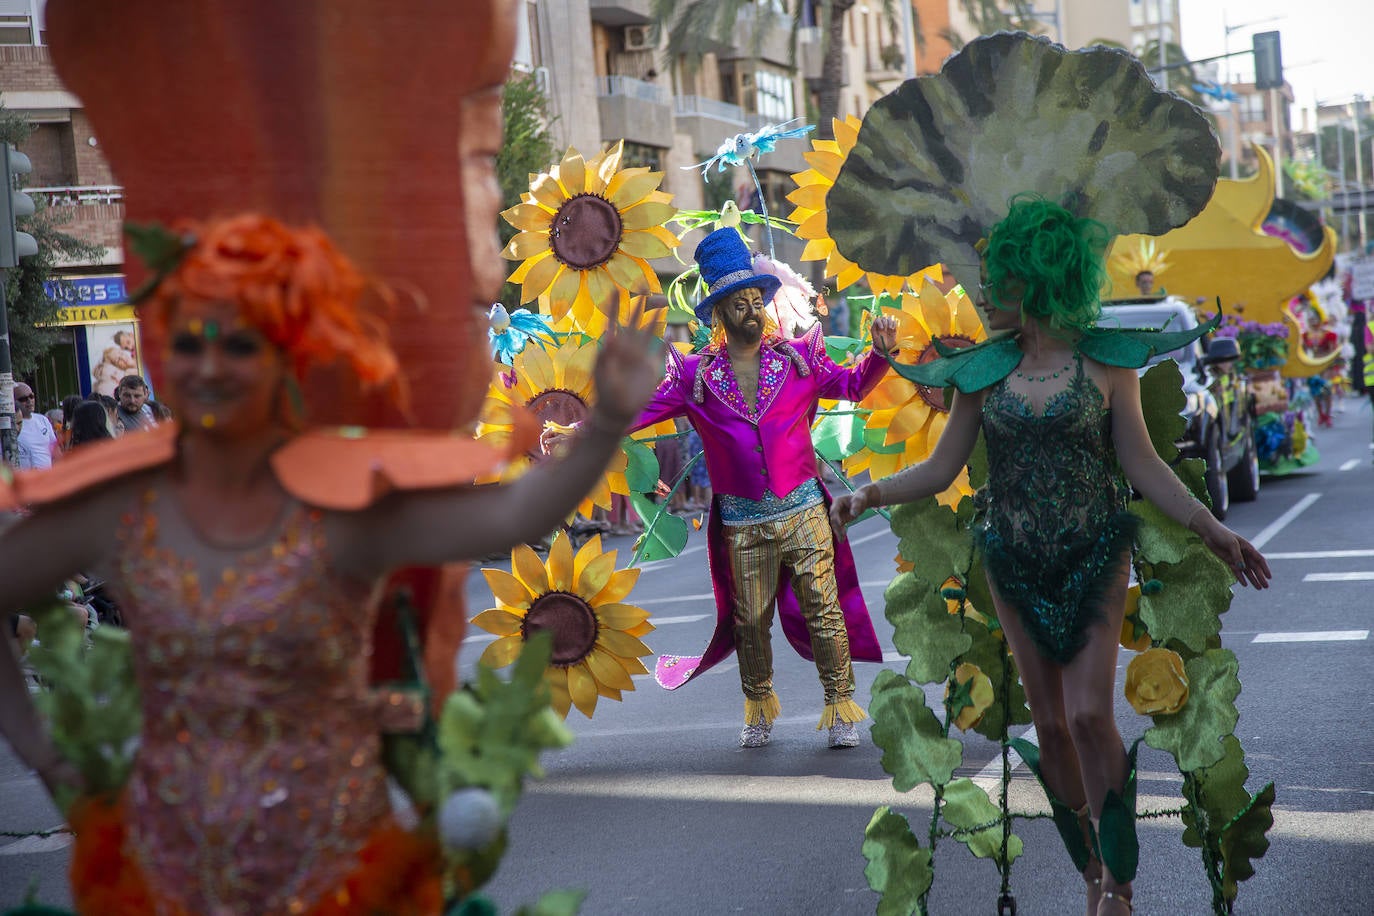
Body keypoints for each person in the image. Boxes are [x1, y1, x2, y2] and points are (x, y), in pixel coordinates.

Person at [0, 214, 661, 914]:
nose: (209, 365)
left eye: (241, 344)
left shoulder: (338, 500)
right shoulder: (122, 506)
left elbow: (512, 516)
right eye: (190, 342)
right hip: (172, 877)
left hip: (338, 876)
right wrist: (45, 755)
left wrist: (609, 425)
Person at [831, 196, 1272, 914]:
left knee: (1091, 714)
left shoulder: (1108, 365)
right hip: (1013, 561)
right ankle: (1092, 865)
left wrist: (1213, 529)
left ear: (1034, 279)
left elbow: (1145, 465)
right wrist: (867, 495)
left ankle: (1122, 881)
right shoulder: (981, 371)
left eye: (994, 277)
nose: (979, 292)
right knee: (1054, 723)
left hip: (1095, 552)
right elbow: (942, 469)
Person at [558, 228, 897, 749]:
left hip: (804, 509)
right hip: (743, 521)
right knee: (750, 620)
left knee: (824, 610)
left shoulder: (799, 362)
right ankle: (759, 706)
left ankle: (840, 706)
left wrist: (878, 354)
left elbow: (851, 385)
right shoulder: (694, 378)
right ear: (717, 315)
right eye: (737, 305)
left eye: (755, 301)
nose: (751, 312)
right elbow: (631, 415)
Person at [13, 383, 58, 470]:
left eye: (31, 396)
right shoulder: (10, 426)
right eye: (23, 399)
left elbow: (55, 450)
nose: (29, 401)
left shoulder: (43, 420)